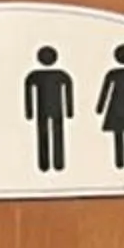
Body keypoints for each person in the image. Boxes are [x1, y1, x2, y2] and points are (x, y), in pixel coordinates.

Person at [24, 46, 74, 174]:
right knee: (55, 135)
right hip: (56, 110)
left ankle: (46, 164)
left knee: (44, 135)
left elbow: (29, 95)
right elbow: (68, 93)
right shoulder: (62, 75)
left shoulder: (34, 76)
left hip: (44, 111)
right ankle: (56, 163)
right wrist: (69, 111)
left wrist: (29, 112)